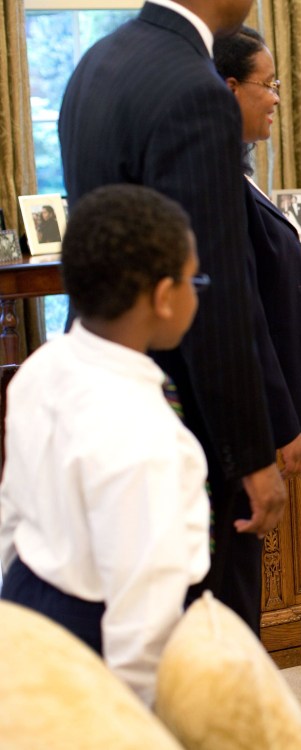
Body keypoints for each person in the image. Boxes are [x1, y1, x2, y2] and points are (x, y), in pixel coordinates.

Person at [58, 0, 287, 633]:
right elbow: (213, 289)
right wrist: (251, 455)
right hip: (182, 412)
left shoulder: (97, 63)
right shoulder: (194, 89)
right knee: (208, 626)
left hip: (104, 382)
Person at [0, 184, 210, 707]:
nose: (196, 293)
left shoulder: (40, 368)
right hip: (94, 634)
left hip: (25, 596)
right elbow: (142, 616)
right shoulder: (149, 436)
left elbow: (11, 509)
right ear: (164, 298)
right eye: (194, 280)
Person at [215, 26, 301, 477]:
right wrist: (281, 424)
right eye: (269, 84)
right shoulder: (215, 184)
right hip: (252, 423)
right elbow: (243, 315)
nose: (277, 98)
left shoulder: (236, 169)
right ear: (230, 87)